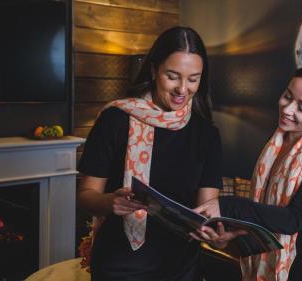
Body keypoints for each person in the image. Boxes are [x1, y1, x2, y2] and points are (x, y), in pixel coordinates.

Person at [76, 26, 223, 281]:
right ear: (154, 70)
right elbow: (85, 196)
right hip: (120, 264)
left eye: (193, 79)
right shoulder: (115, 119)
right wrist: (111, 201)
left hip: (181, 267)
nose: (182, 89)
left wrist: (216, 233)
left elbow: (207, 209)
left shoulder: (207, 134)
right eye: (173, 76)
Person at [192, 61, 302, 281]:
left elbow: (292, 220)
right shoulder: (277, 144)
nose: (288, 109)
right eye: (288, 96)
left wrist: (226, 205)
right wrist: (230, 238)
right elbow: (267, 220)